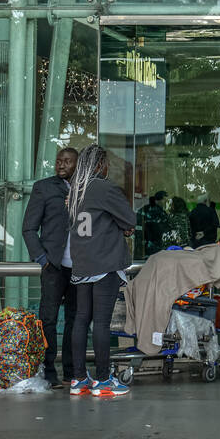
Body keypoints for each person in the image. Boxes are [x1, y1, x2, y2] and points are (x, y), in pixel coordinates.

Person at [64, 145, 137, 397]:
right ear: (98, 165)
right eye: (105, 164)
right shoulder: (105, 188)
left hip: (82, 262)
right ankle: (104, 381)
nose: (108, 169)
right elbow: (130, 220)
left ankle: (78, 379)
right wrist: (122, 227)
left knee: (81, 319)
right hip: (104, 263)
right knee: (102, 324)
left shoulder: (75, 191)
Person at [22, 146, 78, 389]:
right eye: (58, 161)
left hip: (80, 267)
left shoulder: (85, 190)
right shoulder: (43, 187)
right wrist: (42, 259)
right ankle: (48, 371)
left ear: (78, 164)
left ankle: (71, 372)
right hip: (53, 266)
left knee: (75, 321)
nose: (61, 165)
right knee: (49, 319)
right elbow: (28, 228)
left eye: (67, 161)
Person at [136, 191, 169, 257]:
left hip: (144, 246)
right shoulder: (160, 212)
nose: (166, 202)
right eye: (164, 200)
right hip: (155, 246)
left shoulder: (143, 209)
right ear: (157, 200)